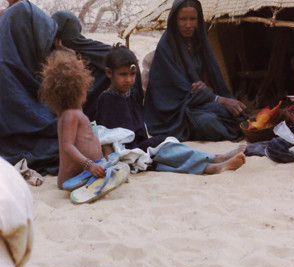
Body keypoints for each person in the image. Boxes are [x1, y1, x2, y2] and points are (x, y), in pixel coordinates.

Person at [96, 44, 247, 175]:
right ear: (109, 73)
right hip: (125, 154)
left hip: (140, 149)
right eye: (123, 75)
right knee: (164, 145)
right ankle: (215, 160)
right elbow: (105, 137)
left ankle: (211, 166)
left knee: (166, 158)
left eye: (132, 74)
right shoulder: (106, 99)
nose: (129, 79)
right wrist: (113, 163)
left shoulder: (133, 95)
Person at [0, 0, 112, 174]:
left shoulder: (23, 56)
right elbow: (23, 117)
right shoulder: (4, 67)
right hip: (18, 136)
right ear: (25, 33)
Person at [144, 0, 247, 142]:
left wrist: (206, 90)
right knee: (207, 122)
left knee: (234, 112)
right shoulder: (166, 47)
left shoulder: (197, 41)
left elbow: (208, 80)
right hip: (174, 111)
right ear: (174, 21)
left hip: (197, 101)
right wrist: (215, 98)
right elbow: (177, 90)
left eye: (193, 19)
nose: (188, 24)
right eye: (182, 19)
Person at [39, 50, 107, 188]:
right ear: (75, 91)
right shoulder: (70, 114)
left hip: (86, 170)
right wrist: (89, 165)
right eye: (83, 89)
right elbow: (67, 146)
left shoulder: (73, 111)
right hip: (75, 176)